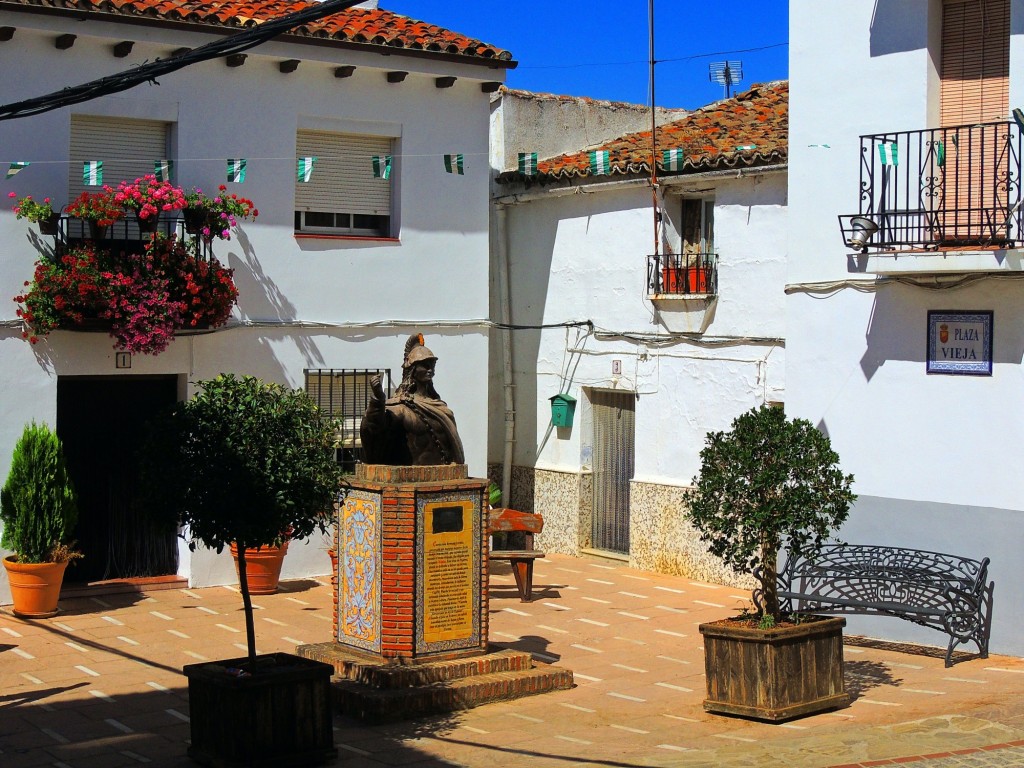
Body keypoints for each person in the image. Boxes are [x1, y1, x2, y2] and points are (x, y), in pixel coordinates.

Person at [360, 334, 466, 466]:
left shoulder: (441, 407)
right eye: (425, 365)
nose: (430, 370)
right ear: (413, 370)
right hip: (408, 479)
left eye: (432, 365)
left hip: (444, 476)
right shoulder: (400, 408)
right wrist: (377, 400)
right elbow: (373, 429)